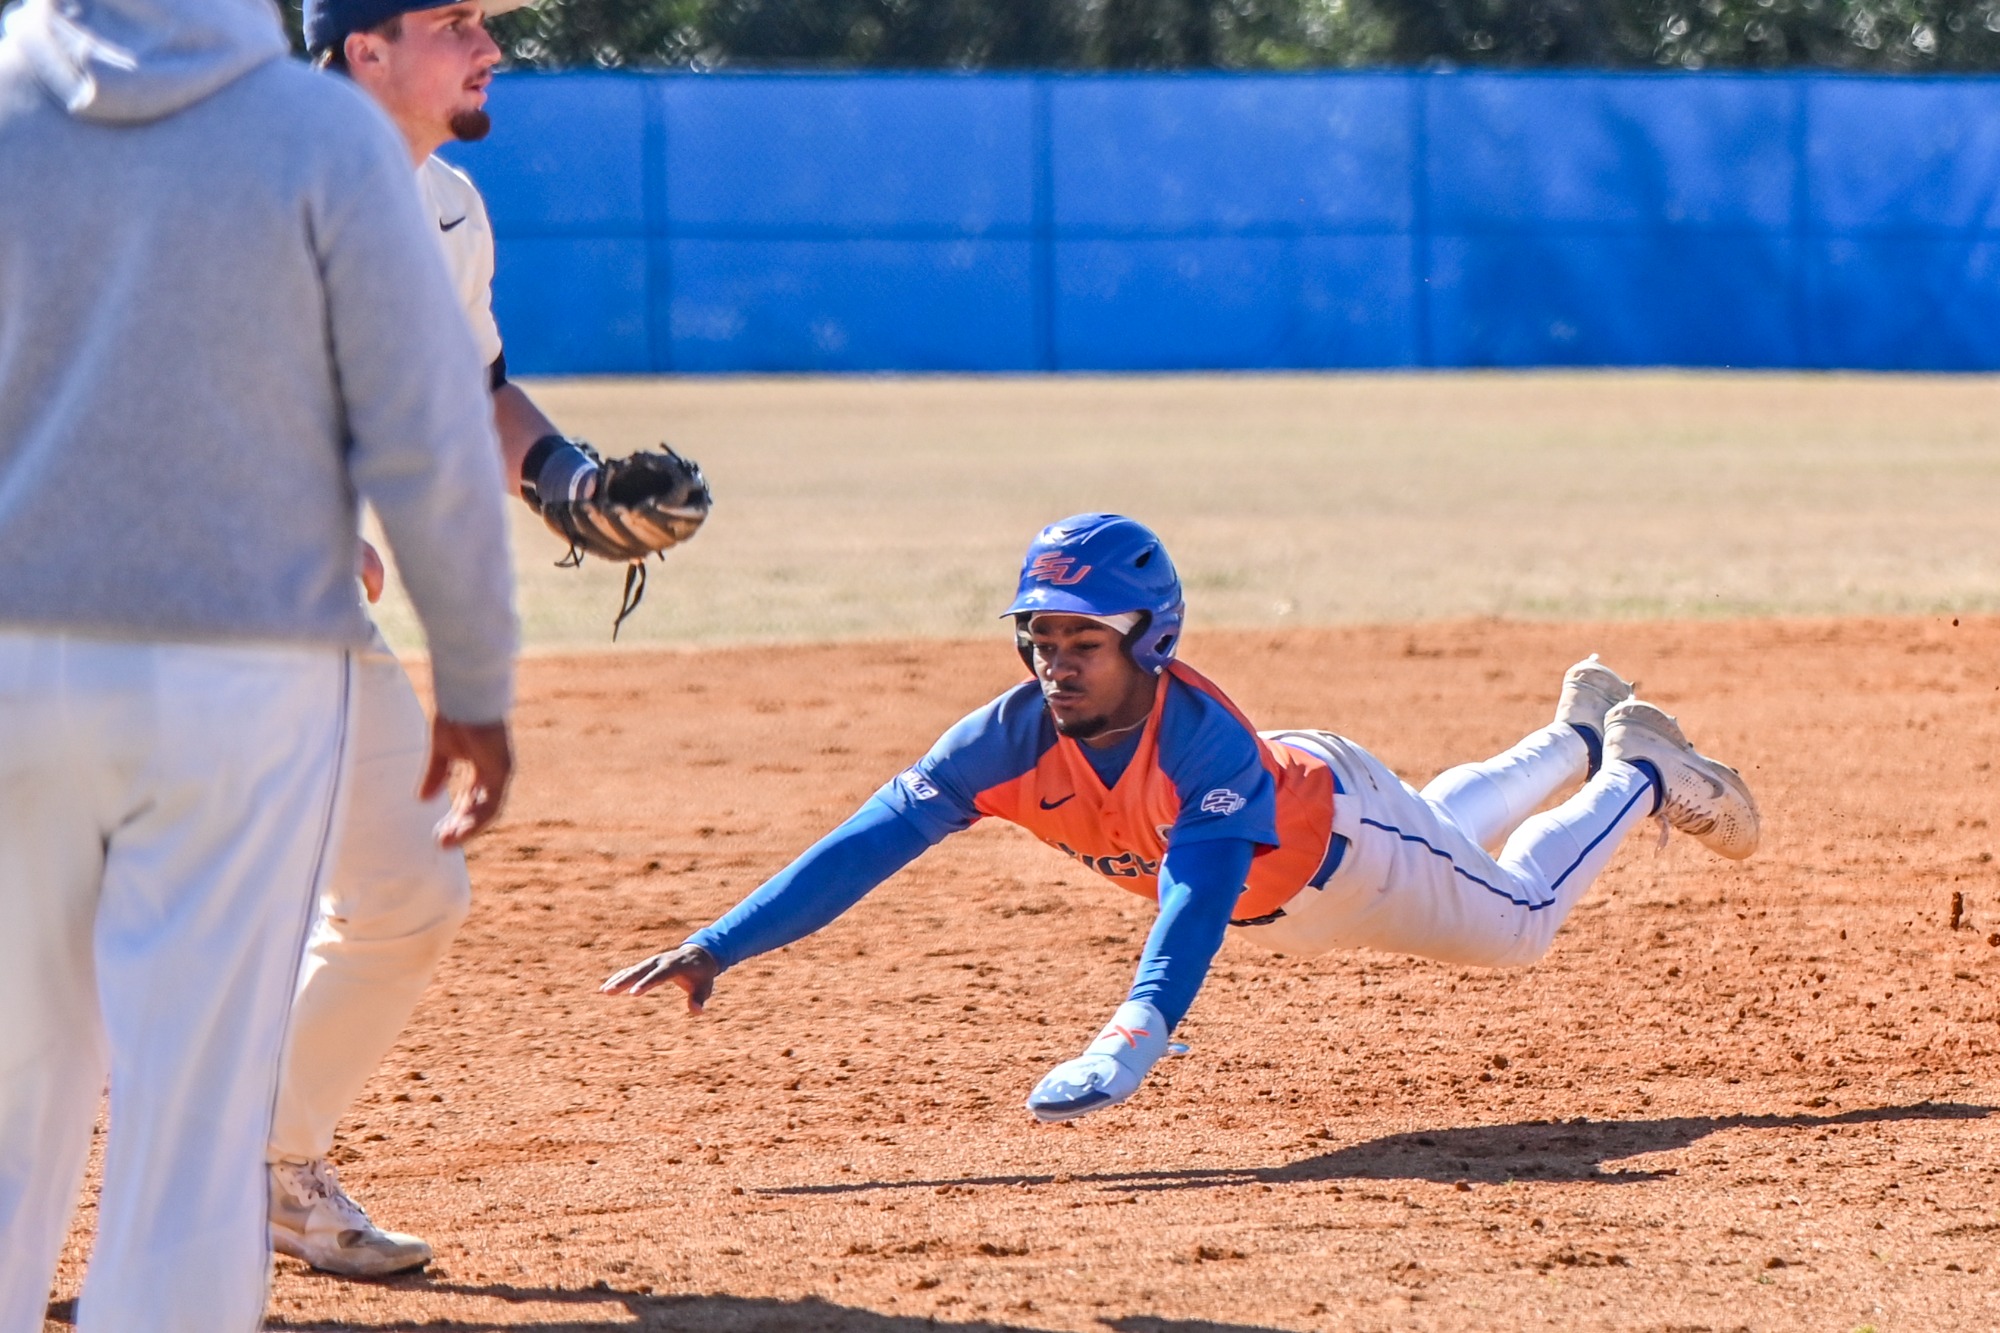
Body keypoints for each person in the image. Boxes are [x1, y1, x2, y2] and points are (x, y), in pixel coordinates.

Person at [602, 514, 1759, 1123]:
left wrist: (1128, 1040)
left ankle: (1637, 770)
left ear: (1149, 639)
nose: (1057, 661)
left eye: (1084, 639)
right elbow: (864, 845)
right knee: (1444, 829)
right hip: (1302, 866)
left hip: (1339, 846)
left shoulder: (1195, 741)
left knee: (1516, 923)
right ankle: (1570, 733)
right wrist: (722, 942)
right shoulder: (1002, 741)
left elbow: (1194, 899)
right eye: (1040, 636)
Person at [0, 0, 518, 1325]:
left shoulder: (12, 96)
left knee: (20, 1076)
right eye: (456, 19)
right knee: (191, 1106)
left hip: (27, 642)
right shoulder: (309, 136)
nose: (488, 44)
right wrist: (473, 670)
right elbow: (421, 430)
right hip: (237, 662)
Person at [260, 0, 709, 1278]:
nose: (491, 46)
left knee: (405, 886)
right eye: (455, 21)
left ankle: (265, 1166)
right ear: (363, 47)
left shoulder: (445, 204)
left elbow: (472, 386)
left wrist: (566, 483)